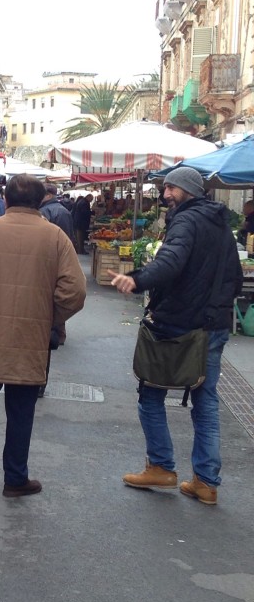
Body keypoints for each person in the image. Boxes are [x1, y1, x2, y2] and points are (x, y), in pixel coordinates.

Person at [110, 166, 243, 506]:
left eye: (172, 189)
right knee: (206, 400)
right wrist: (216, 310)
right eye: (165, 188)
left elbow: (171, 261)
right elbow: (234, 277)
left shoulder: (186, 221)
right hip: (213, 325)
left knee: (151, 393)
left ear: (189, 191)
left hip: (180, 324)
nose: (166, 194)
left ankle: (161, 466)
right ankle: (206, 482)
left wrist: (137, 279)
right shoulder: (220, 224)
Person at [0, 174, 86, 496]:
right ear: (40, 202)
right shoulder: (55, 237)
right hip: (31, 335)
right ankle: (15, 478)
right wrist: (50, 316)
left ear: (6, 200)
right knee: (21, 406)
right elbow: (75, 292)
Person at [40, 183, 75, 346]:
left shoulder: (45, 211)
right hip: (63, 256)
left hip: (48, 257)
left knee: (47, 296)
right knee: (58, 294)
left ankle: (53, 331)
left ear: (47, 195)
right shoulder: (64, 210)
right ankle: (60, 331)